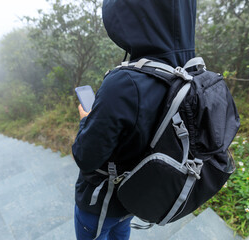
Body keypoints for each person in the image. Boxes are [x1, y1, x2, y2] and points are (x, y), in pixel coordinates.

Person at [72, 0, 197, 239]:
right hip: (136, 197)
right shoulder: (189, 74)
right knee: (121, 231)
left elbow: (86, 156)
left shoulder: (124, 84)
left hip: (100, 203)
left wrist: (86, 120)